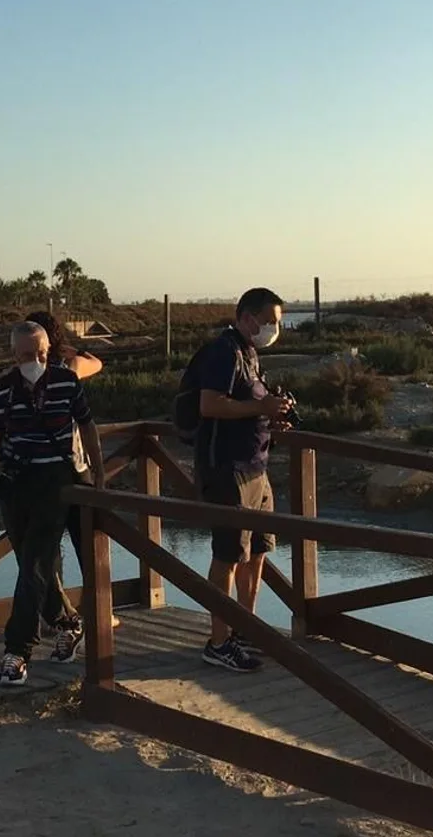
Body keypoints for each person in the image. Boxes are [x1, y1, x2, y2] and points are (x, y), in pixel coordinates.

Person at [0, 321, 103, 687]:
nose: (35, 360)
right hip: (19, 481)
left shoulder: (65, 381)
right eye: (27, 355)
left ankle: (17, 650)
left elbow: (87, 427)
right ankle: (69, 623)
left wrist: (98, 476)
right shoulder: (4, 388)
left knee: (36, 563)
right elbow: (0, 436)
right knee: (30, 563)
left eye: (41, 353)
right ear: (13, 355)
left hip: (58, 479)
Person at [191, 288, 293, 673]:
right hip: (228, 470)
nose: (274, 328)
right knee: (229, 556)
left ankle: (244, 628)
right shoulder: (224, 351)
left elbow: (249, 406)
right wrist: (259, 407)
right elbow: (210, 404)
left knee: (258, 551)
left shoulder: (250, 354)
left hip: (256, 467)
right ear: (247, 317)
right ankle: (219, 642)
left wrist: (271, 414)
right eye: (270, 321)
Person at [20, 311, 119, 633]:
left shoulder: (19, 375)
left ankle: (57, 614)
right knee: (89, 545)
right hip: (75, 467)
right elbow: (96, 364)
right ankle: (100, 611)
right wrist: (100, 471)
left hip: (36, 472)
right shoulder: (69, 369)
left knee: (44, 549)